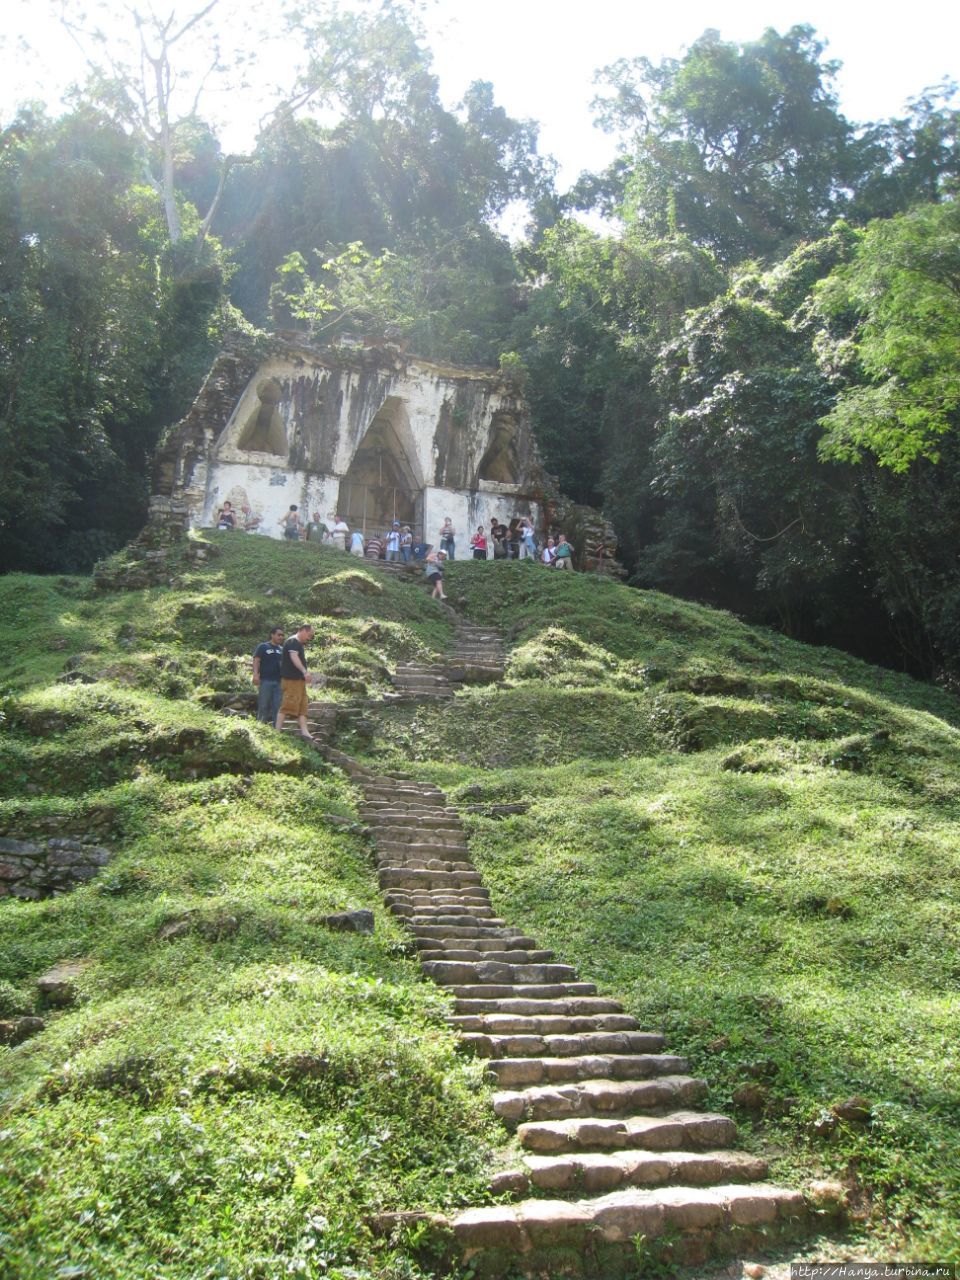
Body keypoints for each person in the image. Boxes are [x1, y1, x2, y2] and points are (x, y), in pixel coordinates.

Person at [276, 623, 317, 740]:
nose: (309, 638)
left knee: (303, 706)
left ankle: (305, 732)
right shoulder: (292, 641)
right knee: (287, 704)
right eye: (309, 635)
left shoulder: (298, 643)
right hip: (291, 679)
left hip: (299, 681)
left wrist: (304, 675)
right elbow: (294, 658)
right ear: (303, 630)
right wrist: (304, 671)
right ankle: (277, 731)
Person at [252, 627, 285, 725]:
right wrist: (255, 674)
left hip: (279, 682)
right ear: (272, 635)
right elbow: (256, 660)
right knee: (263, 704)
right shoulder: (263, 646)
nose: (281, 637)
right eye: (279, 635)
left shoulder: (281, 649)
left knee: (277, 706)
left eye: (282, 635)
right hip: (266, 680)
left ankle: (276, 730)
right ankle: (260, 727)